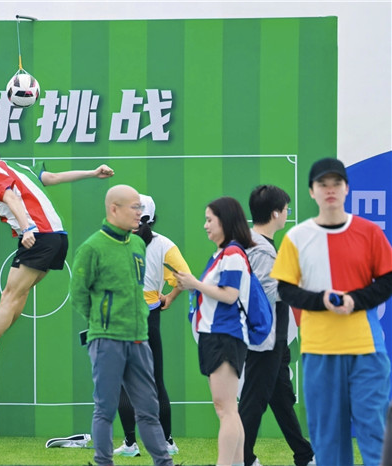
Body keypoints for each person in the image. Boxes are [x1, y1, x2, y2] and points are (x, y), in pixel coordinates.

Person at [271, 158, 392, 466]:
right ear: (311, 191)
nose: (330, 190)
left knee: (374, 431)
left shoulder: (368, 232)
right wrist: (321, 300)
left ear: (346, 188)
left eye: (336, 183)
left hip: (366, 348)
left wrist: (355, 300)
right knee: (328, 437)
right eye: (322, 184)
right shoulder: (297, 237)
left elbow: (388, 279)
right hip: (319, 350)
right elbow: (286, 289)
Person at [0, 138, 114, 370]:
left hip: (38, 235)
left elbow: (11, 197)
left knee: (10, 295)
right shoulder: (18, 167)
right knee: (18, 294)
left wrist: (27, 228)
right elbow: (52, 177)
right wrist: (92, 172)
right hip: (57, 236)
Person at [71, 184, 174, 466]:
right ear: (114, 209)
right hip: (107, 340)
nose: (140, 213)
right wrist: (102, 323)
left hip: (139, 339)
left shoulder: (139, 245)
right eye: (134, 208)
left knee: (148, 409)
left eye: (140, 208)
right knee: (105, 410)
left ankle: (164, 462)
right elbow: (79, 294)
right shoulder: (91, 248)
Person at [174, 196, 255, 466]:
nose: (205, 225)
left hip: (225, 335)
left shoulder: (231, 254)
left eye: (210, 220)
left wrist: (194, 284)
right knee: (228, 408)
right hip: (217, 336)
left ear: (225, 221)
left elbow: (230, 295)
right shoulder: (223, 254)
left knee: (226, 408)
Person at [238, 185, 315, 466]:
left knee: (281, 398)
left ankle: (304, 455)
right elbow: (263, 293)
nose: (287, 214)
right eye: (285, 210)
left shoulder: (257, 244)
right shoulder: (261, 249)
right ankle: (242, 457)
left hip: (274, 336)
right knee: (254, 401)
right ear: (275, 213)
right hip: (265, 338)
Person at [113, 194, 190, 458]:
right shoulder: (164, 244)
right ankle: (167, 442)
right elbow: (185, 277)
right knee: (156, 381)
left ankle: (130, 443)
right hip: (150, 316)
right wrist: (170, 297)